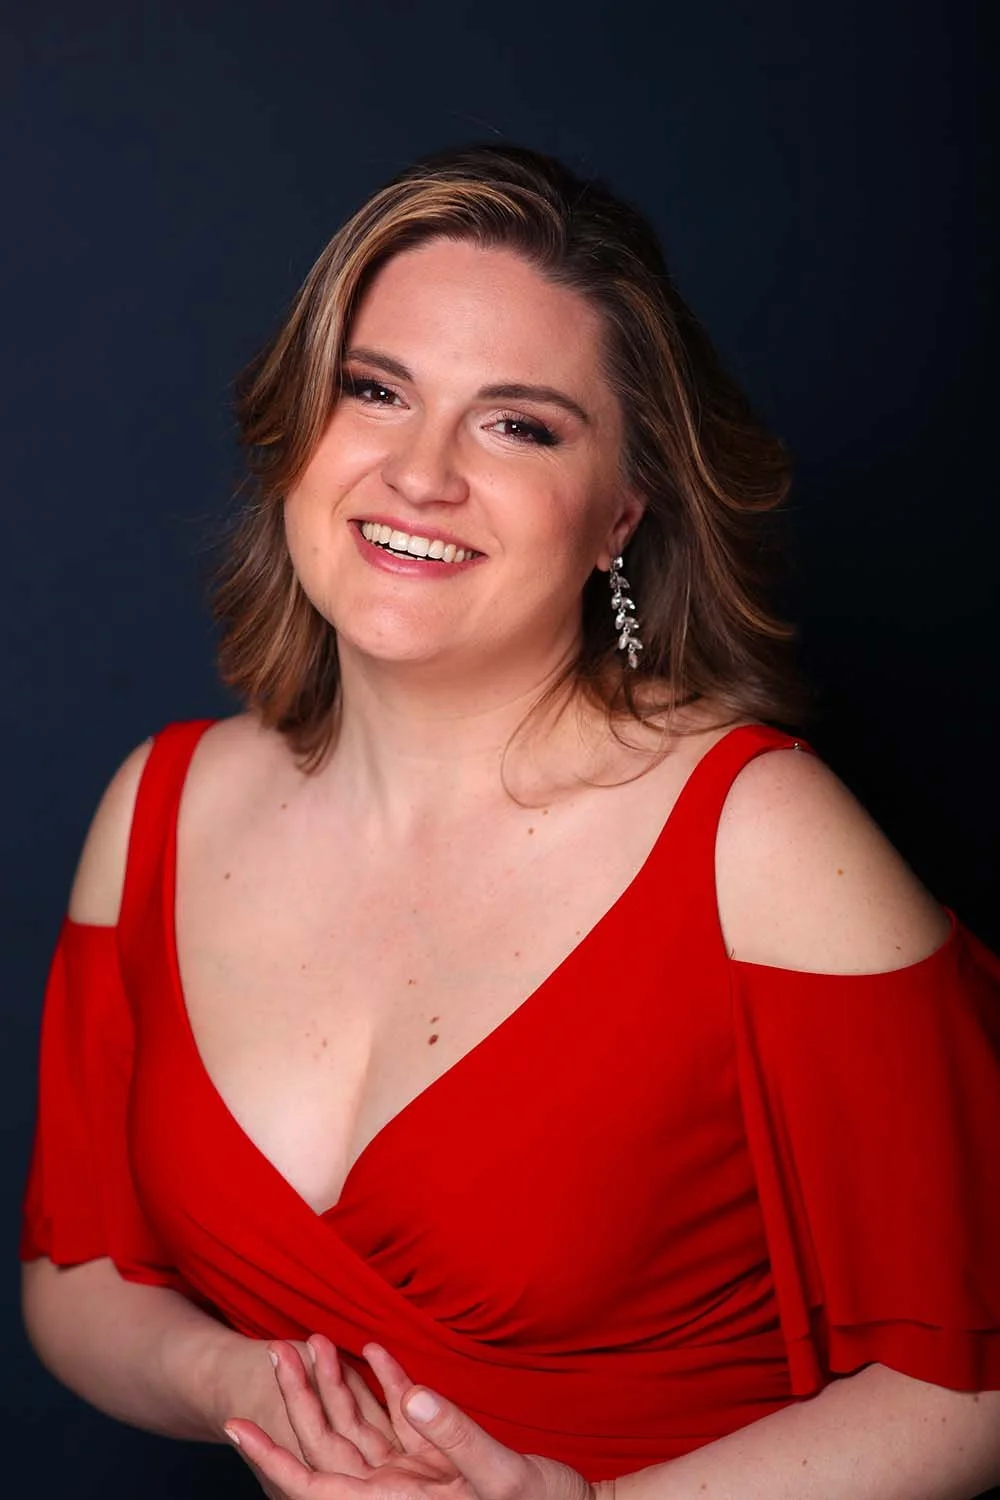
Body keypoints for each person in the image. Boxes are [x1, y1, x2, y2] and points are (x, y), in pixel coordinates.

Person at [19, 143, 1000, 1500]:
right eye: (375, 391)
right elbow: (75, 1275)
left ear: (619, 516)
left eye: (518, 425)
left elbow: (970, 1386)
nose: (420, 473)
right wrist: (248, 1389)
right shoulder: (162, 805)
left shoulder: (759, 841)